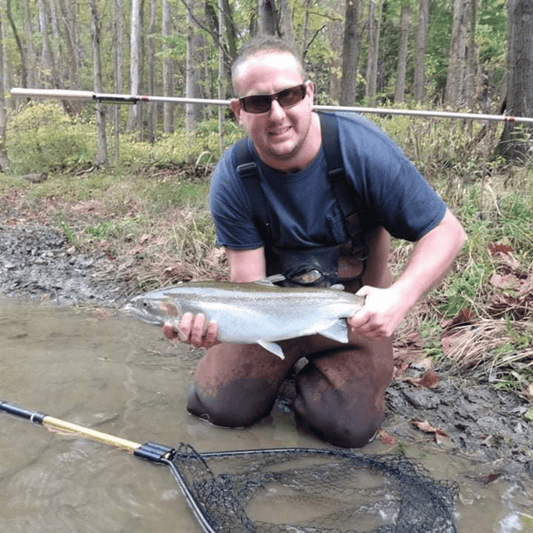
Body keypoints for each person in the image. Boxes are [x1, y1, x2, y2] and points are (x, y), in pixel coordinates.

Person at [163, 35, 466, 448]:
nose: (277, 114)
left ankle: (314, 378)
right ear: (238, 111)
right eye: (258, 102)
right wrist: (220, 327)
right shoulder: (234, 177)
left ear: (309, 94)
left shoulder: (362, 150)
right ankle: (284, 369)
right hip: (272, 316)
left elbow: (447, 232)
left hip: (354, 316)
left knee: (346, 426)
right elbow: (248, 288)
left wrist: (399, 298)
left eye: (288, 95)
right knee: (216, 408)